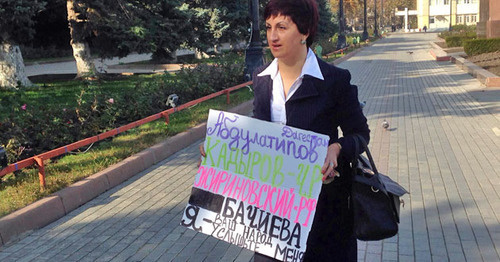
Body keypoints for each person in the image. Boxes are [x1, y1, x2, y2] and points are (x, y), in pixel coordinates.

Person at [200, 0, 370, 260]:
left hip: (323, 211)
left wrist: (336, 148)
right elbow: (258, 136)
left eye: (282, 27)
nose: (272, 36)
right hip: (272, 214)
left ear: (304, 32)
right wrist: (221, 152)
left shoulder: (334, 80)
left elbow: (360, 134)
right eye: (268, 27)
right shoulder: (262, 79)